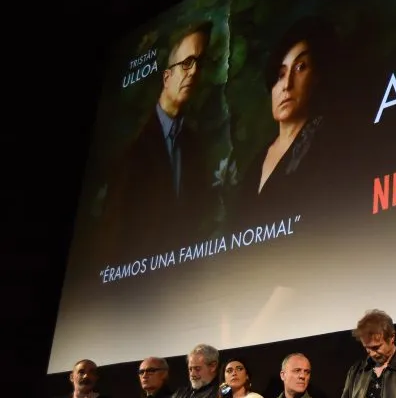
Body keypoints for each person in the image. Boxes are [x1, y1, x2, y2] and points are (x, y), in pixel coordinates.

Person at [103, 21, 215, 258]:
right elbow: (113, 239)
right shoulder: (133, 151)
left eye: (199, 63)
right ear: (166, 77)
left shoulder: (194, 144)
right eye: (187, 63)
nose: (194, 71)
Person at [235, 15, 344, 227]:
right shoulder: (256, 163)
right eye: (280, 74)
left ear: (317, 77)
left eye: (300, 67)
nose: (287, 85)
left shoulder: (328, 141)